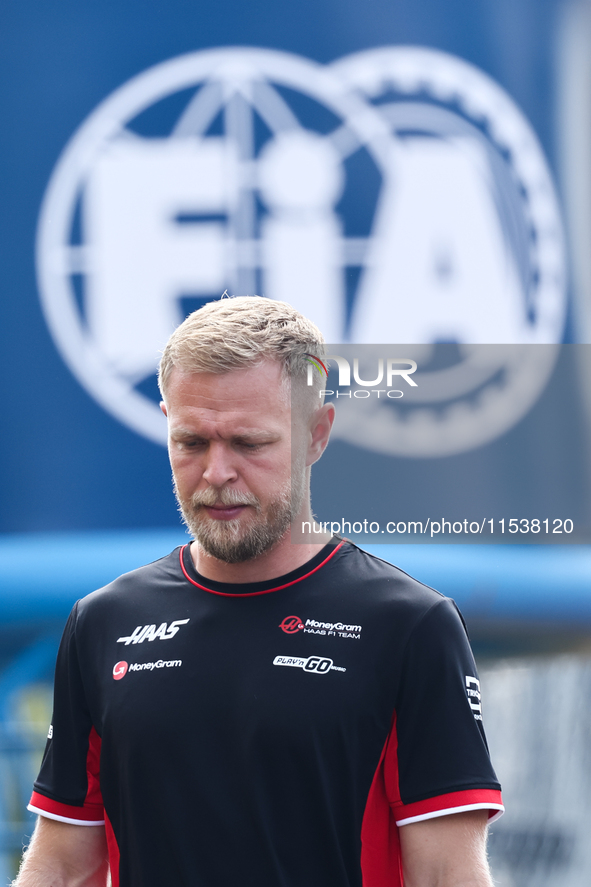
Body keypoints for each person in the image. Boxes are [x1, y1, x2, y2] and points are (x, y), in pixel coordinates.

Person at [16, 296, 503, 887]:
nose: (217, 473)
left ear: (316, 435)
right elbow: (63, 865)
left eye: (249, 443)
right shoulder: (102, 622)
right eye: (191, 442)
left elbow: (447, 876)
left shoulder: (408, 626)